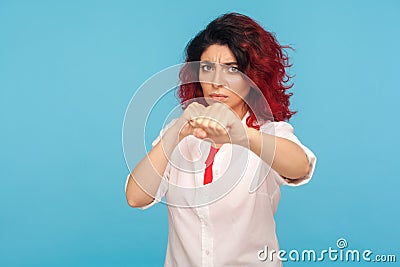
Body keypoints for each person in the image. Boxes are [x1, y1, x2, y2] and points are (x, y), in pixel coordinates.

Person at [125, 12, 316, 267]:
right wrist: (177, 131)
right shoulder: (177, 131)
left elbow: (300, 167)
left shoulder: (267, 132)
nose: (216, 82)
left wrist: (242, 136)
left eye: (232, 69)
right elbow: (136, 197)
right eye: (207, 68)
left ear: (253, 77)